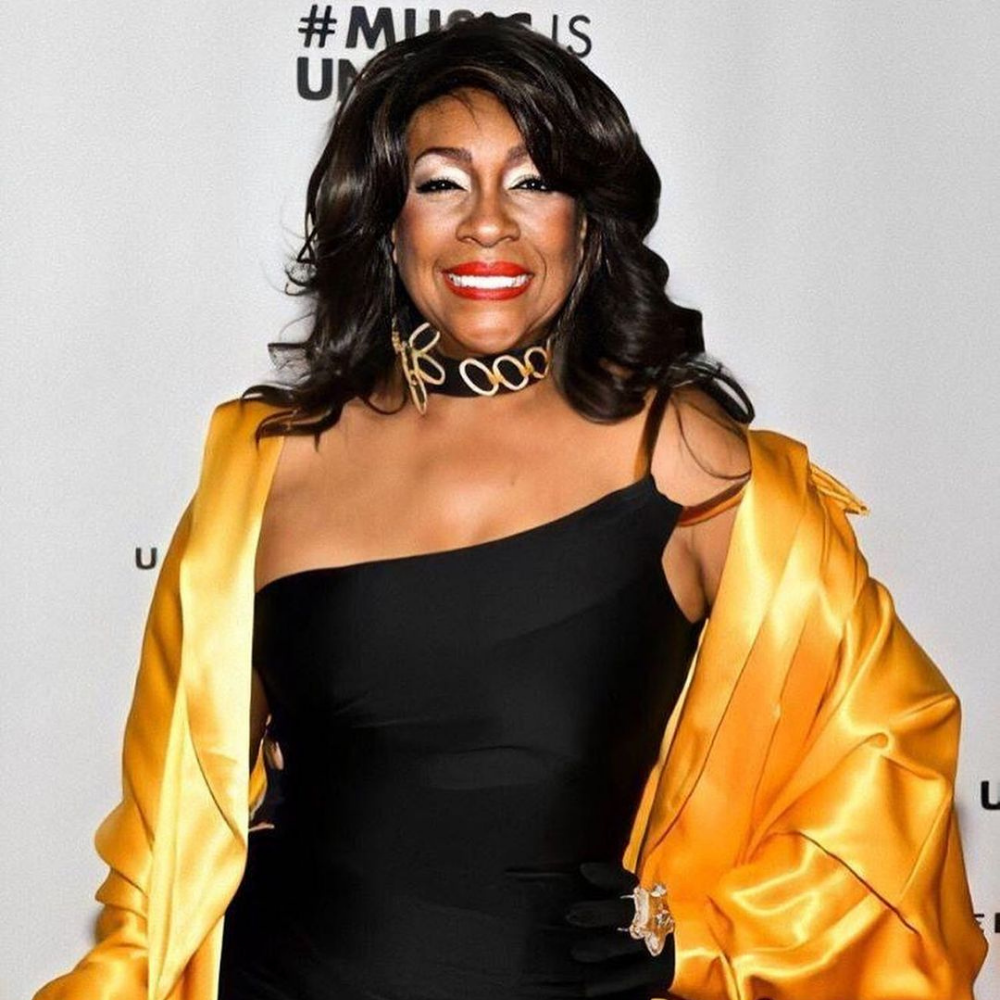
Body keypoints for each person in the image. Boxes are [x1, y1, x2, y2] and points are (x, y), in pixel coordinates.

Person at [32, 14, 986, 1000]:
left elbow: (890, 758)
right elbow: (163, 855)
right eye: (441, 183)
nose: (487, 222)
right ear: (386, 219)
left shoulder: (685, 458)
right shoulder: (266, 465)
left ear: (587, 220)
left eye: (533, 182)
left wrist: (702, 939)